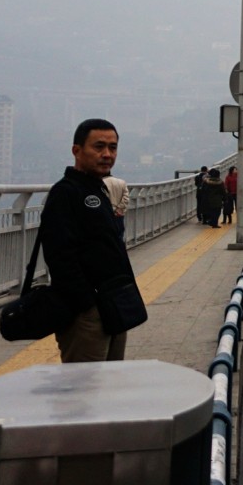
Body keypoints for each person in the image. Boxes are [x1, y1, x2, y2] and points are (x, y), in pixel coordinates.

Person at [39, 119, 143, 363]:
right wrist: (86, 304)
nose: (107, 154)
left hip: (113, 307)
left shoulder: (101, 189)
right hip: (87, 314)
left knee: (110, 385)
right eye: (99, 147)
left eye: (113, 147)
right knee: (84, 389)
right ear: (77, 150)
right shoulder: (65, 192)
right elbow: (58, 255)